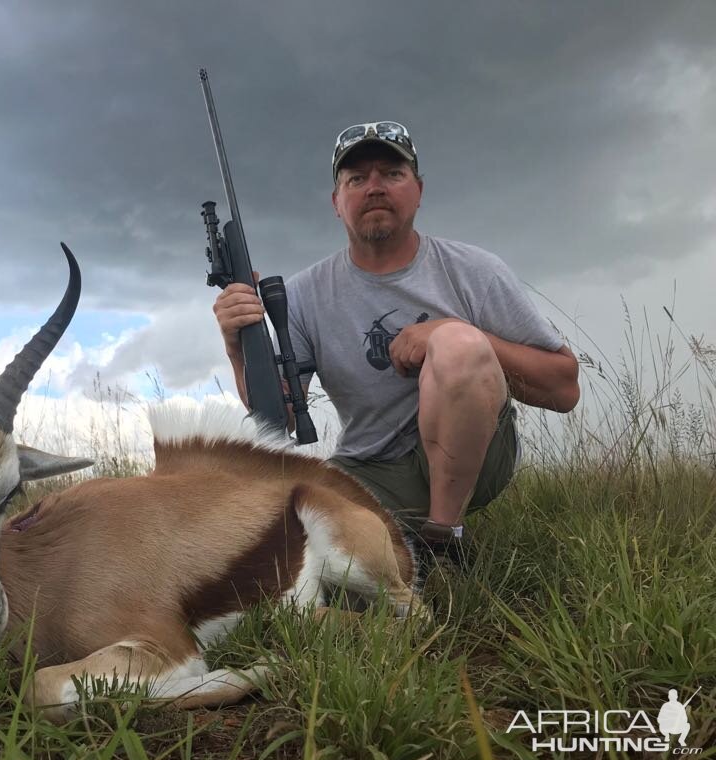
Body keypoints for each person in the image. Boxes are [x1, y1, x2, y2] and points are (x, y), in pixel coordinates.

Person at [212, 121, 580, 581]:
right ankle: (389, 551)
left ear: (419, 190)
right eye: (356, 179)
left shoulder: (474, 270)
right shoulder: (304, 293)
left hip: (479, 458)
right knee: (287, 549)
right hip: (369, 470)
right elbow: (278, 419)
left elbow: (564, 389)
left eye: (391, 173)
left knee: (459, 344)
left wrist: (452, 330)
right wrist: (237, 348)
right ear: (336, 202)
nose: (374, 188)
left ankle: (443, 543)